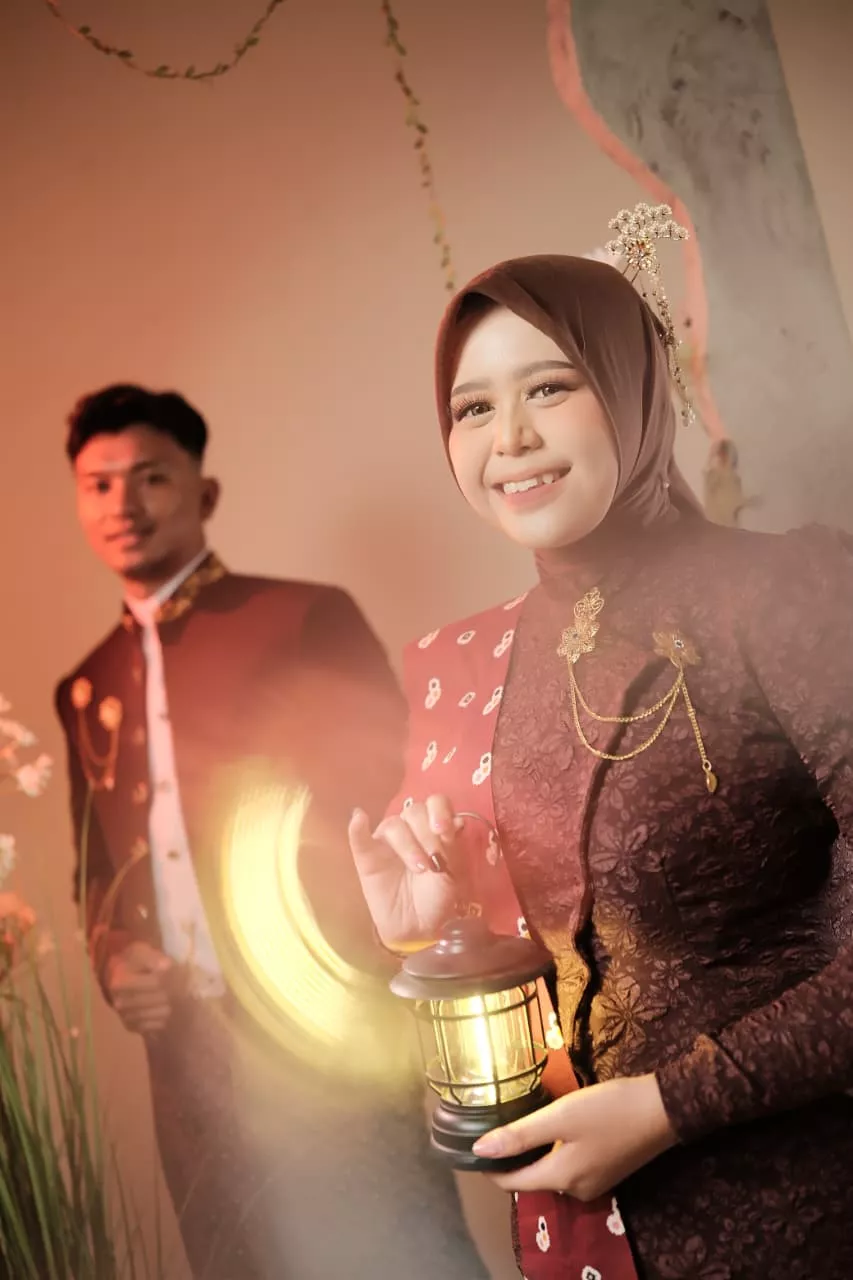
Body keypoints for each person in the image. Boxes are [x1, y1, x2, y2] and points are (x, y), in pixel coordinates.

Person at [349, 254, 853, 1280]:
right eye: (472, 408)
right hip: (584, 1237)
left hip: (801, 1217)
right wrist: (439, 925)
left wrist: (672, 1104)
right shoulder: (464, 663)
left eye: (547, 387)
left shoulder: (783, 594)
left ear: (632, 387)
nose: (509, 439)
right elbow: (538, 982)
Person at [54, 384, 487, 1279]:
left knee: (399, 1253)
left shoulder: (299, 619)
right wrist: (114, 957)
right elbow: (95, 871)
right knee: (236, 1259)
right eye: (98, 485)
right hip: (184, 1048)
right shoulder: (84, 688)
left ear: (204, 492)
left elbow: (394, 794)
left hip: (316, 1023)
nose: (123, 503)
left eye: (151, 477)